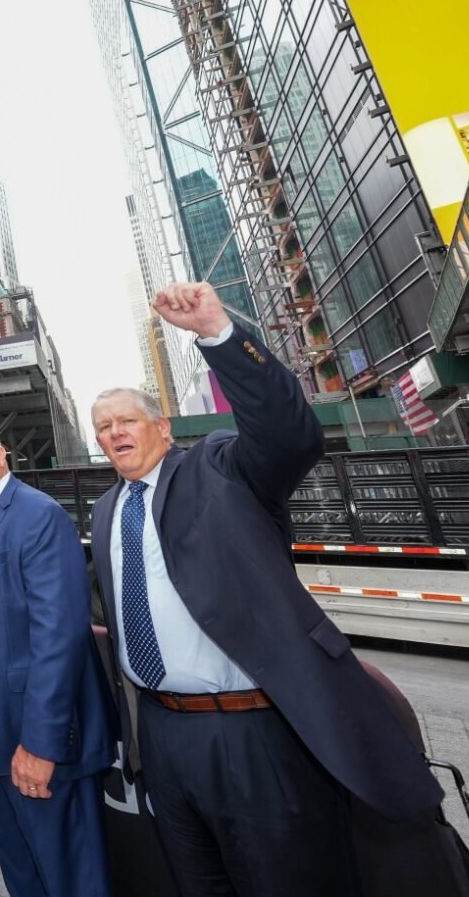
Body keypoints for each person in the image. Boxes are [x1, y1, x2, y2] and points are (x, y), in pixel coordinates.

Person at [88, 282, 446, 897]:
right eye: (102, 427)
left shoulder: (222, 468)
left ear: (163, 428)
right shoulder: (104, 511)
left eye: (127, 420)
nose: (115, 433)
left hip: (254, 733)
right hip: (164, 737)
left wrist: (218, 335)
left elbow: (289, 435)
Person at [0, 419, 116, 897]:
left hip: (34, 743)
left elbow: (59, 637)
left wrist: (41, 744)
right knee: (22, 874)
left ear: (3, 456)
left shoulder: (37, 515)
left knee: (68, 876)